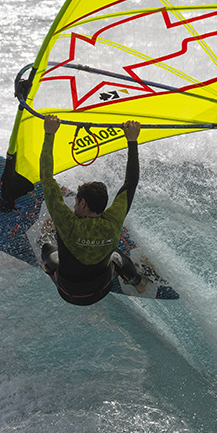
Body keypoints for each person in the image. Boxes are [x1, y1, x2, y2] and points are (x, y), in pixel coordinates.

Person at [37, 114, 143, 305]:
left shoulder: (67, 223)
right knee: (116, 254)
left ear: (83, 203)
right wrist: (132, 141)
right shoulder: (112, 222)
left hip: (68, 292)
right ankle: (138, 281)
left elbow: (46, 178)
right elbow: (131, 183)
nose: (74, 206)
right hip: (102, 288)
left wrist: (49, 134)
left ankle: (45, 237)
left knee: (48, 246)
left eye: (76, 202)